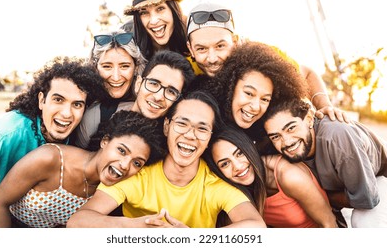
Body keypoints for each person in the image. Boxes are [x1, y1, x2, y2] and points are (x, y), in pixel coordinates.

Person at [67, 90, 266, 228]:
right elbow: (78, 222)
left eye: (202, 128)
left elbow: (256, 226)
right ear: (166, 127)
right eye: (182, 123)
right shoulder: (137, 173)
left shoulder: (214, 184)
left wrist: (189, 239)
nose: (190, 135)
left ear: (209, 139)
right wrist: (136, 228)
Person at [0, 58, 104, 227]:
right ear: (42, 100)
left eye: (77, 104)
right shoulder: (6, 133)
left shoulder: (74, 138)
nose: (66, 113)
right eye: (58, 100)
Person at [0, 110, 165, 228]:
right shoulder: (50, 158)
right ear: (105, 141)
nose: (125, 165)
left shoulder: (111, 191)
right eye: (121, 150)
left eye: (137, 163)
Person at [186, 2, 349, 122]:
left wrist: (324, 105)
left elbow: (306, 73)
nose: (212, 58)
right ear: (190, 48)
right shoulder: (184, 69)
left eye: (220, 46)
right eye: (201, 49)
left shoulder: (261, 57)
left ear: (235, 42)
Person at [263, 98, 387, 227]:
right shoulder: (291, 150)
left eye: (291, 128)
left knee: (365, 222)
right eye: (276, 136)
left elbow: (367, 198)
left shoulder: (337, 137)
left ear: (309, 118)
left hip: (386, 176)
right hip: (350, 185)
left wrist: (322, 197)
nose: (286, 141)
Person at [206, 125, 337, 228]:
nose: (238, 166)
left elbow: (329, 223)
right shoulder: (237, 189)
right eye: (225, 164)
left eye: (240, 153)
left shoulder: (288, 175)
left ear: (250, 147)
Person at [205, 41, 308, 147]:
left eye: (265, 99)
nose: (255, 107)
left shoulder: (271, 127)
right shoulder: (208, 116)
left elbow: (307, 71)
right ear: (230, 87)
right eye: (249, 93)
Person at [72, 29, 147, 149]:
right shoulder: (87, 109)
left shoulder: (152, 102)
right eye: (107, 66)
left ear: (136, 67)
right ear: (95, 68)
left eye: (124, 66)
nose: (116, 77)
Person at [123, 0, 188, 61]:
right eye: (144, 12)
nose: (153, 21)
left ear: (173, 10)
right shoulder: (128, 49)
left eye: (160, 8)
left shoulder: (193, 36)